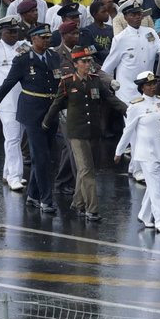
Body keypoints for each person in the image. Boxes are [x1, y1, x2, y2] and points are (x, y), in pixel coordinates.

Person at [43, 45, 125, 221]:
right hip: (76, 133)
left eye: (89, 61)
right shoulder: (67, 82)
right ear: (75, 63)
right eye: (84, 61)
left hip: (93, 131)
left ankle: (77, 203)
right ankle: (92, 208)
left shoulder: (95, 81)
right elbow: (56, 105)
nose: (88, 64)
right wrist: (46, 123)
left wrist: (128, 110)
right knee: (87, 170)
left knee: (85, 169)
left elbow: (111, 99)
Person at [0, 23, 61, 213]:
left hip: (51, 111)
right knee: (41, 156)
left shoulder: (54, 56)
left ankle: (33, 195)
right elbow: (7, 84)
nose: (46, 41)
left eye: (48, 37)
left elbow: (60, 82)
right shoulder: (22, 60)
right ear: (32, 39)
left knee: (46, 155)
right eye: (42, 38)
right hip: (31, 111)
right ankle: (46, 200)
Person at [114, 71, 160, 232]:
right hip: (147, 154)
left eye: (154, 83)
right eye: (148, 85)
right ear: (142, 87)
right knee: (158, 190)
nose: (152, 87)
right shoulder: (136, 106)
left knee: (157, 186)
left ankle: (145, 214)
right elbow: (128, 131)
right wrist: (119, 151)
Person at [0, 16, 27, 190]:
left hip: (24, 99)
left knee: (17, 138)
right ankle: (15, 177)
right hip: (5, 102)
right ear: (1, 32)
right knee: (12, 138)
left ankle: (7, 172)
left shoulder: (24, 47)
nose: (13, 35)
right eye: (9, 32)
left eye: (15, 31)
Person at [102, 0, 160, 103]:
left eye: (139, 14)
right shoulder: (120, 38)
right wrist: (108, 85)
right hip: (128, 92)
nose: (137, 17)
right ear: (125, 17)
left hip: (148, 90)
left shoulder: (150, 33)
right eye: (133, 15)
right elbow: (109, 65)